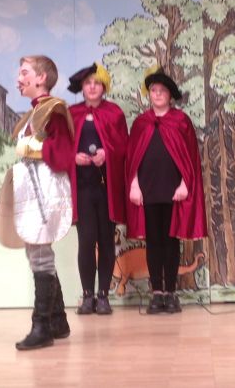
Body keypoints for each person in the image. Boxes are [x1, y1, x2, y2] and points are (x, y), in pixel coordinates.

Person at [4, 55, 74, 350]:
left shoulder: (53, 110)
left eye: (25, 73)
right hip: (33, 191)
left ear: (41, 78)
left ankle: (41, 326)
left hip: (46, 191)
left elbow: (64, 154)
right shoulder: (35, 112)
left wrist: (32, 147)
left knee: (40, 253)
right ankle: (58, 320)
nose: (18, 79)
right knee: (35, 252)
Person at [126, 66, 207, 314]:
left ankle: (171, 292)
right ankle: (157, 293)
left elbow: (190, 157)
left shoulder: (181, 121)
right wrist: (134, 185)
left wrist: (185, 184)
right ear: (149, 94)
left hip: (173, 191)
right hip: (148, 191)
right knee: (154, 242)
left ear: (170, 95)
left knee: (171, 241)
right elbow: (132, 158)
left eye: (162, 90)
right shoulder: (141, 123)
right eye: (154, 90)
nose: (158, 94)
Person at [68, 62, 128, 315]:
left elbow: (125, 146)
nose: (92, 87)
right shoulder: (71, 113)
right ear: (82, 87)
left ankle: (103, 295)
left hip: (106, 189)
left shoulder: (114, 113)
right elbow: (62, 146)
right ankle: (87, 295)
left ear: (104, 87)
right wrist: (74, 157)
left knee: (106, 241)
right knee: (86, 241)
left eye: (97, 83)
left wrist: (107, 153)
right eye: (87, 83)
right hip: (82, 188)